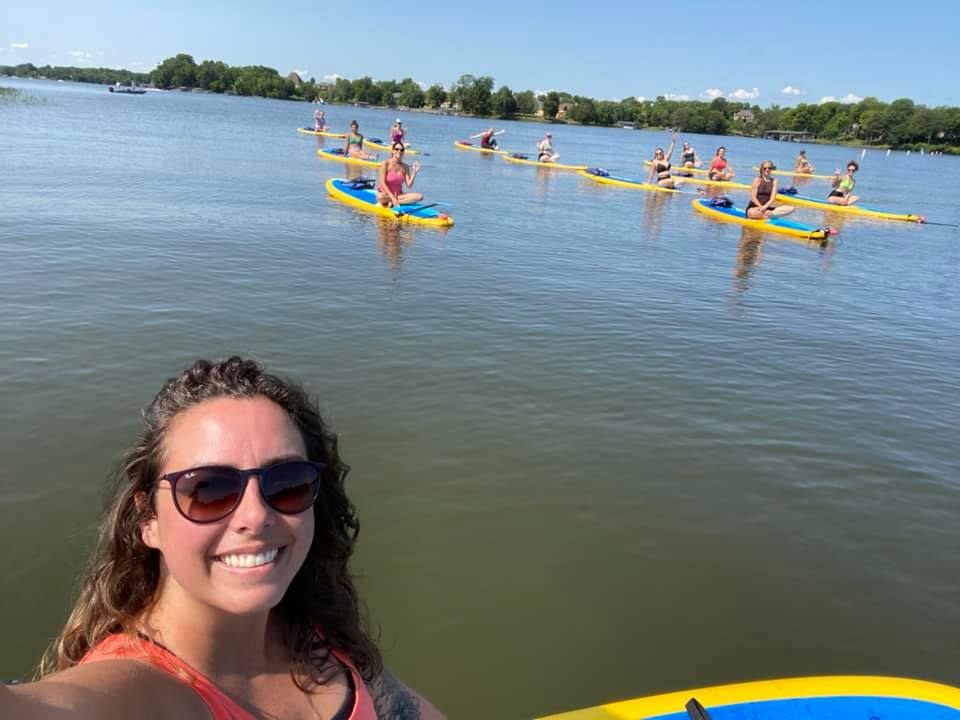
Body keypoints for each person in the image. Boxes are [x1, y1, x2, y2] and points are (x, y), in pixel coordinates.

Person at [1, 357, 446, 720]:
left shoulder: (313, 633)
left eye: (286, 482)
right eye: (208, 490)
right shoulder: (139, 691)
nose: (256, 515)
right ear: (147, 518)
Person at [377, 143, 422, 208]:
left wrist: (414, 172)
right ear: (392, 150)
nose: (399, 151)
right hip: (386, 195)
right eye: (397, 149)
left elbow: (409, 185)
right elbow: (383, 183)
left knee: (419, 196)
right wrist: (392, 197)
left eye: (402, 150)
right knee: (380, 197)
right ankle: (394, 200)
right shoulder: (385, 164)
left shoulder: (405, 166)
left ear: (403, 152)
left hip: (398, 195)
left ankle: (394, 202)